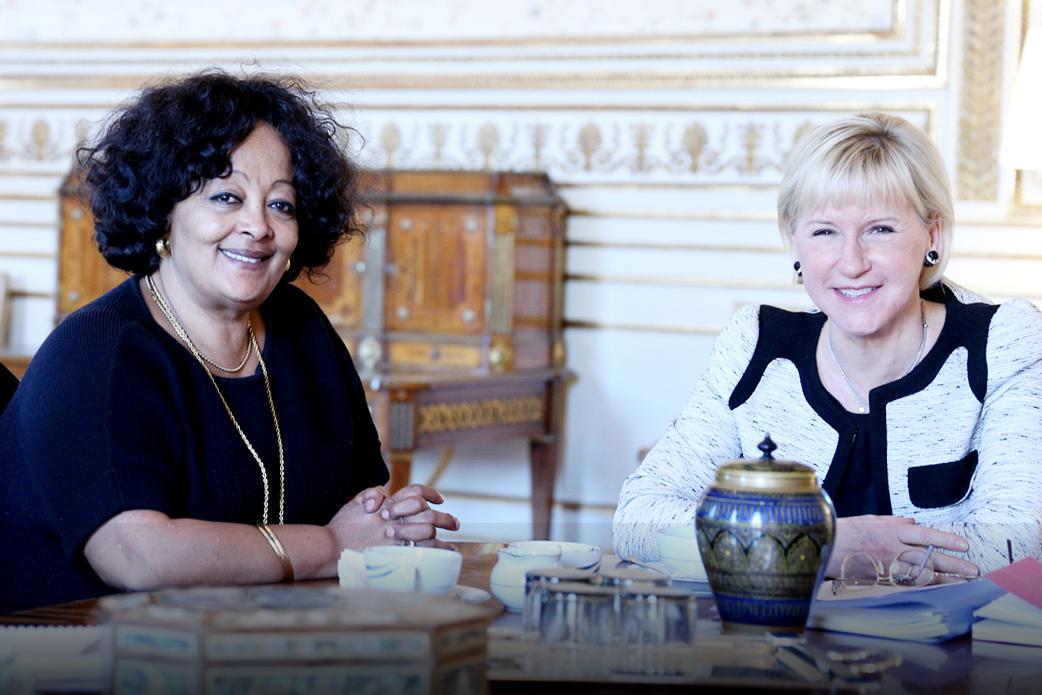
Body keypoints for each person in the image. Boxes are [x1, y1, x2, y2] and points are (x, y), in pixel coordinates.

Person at [0, 71, 459, 614]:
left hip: (264, 638)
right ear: (163, 213)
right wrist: (331, 545)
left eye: (281, 205)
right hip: (78, 643)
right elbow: (138, 557)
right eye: (226, 197)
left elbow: (356, 506)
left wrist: (389, 521)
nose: (258, 226)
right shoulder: (97, 352)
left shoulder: (303, 328)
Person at [614, 113, 1042, 578]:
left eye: (880, 229)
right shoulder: (756, 346)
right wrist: (821, 544)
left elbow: (1016, 548)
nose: (852, 263)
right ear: (795, 243)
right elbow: (638, 520)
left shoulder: (1001, 343)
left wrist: (762, 547)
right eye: (824, 232)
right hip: (779, 627)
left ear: (931, 236)